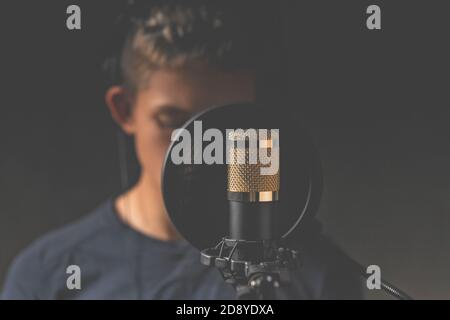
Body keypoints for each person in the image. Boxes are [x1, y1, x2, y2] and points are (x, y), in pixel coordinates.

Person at [1, 1, 362, 299]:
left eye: (224, 125)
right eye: (173, 120)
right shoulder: (47, 275)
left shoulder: (317, 276)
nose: (196, 148)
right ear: (125, 110)